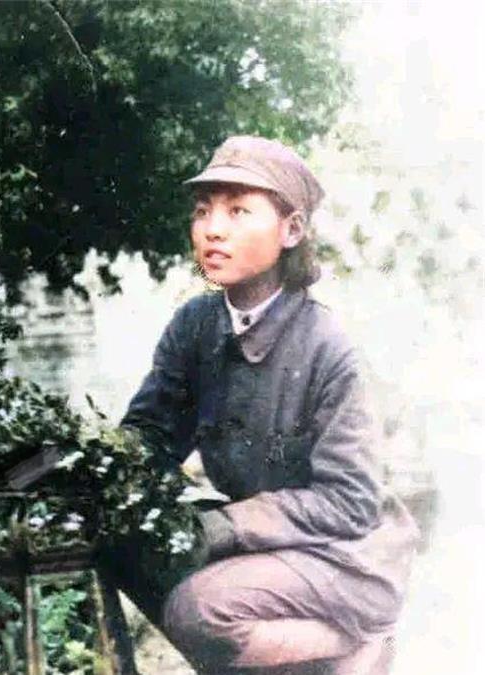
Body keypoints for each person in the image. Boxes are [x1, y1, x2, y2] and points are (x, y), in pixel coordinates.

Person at [114, 135, 420, 674]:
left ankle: (355, 647)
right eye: (203, 211)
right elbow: (151, 435)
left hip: (346, 555)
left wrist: (228, 526)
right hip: (272, 547)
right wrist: (87, 462)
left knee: (198, 612)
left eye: (238, 211)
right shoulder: (196, 326)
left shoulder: (327, 347)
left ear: (291, 230)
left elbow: (349, 503)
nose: (213, 229)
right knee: (126, 550)